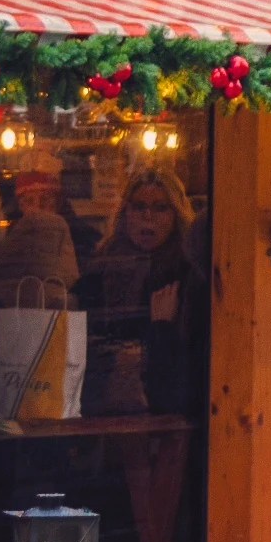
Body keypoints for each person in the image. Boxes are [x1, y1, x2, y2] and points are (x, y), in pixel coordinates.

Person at [76, 169, 200, 416]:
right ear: (125, 213)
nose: (148, 216)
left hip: (162, 407)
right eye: (139, 207)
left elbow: (190, 360)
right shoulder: (103, 266)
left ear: (176, 215)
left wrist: (162, 326)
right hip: (102, 402)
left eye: (160, 208)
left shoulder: (186, 274)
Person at [0, 155, 79, 307]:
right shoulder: (1, 240)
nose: (38, 207)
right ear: (20, 205)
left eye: (45, 199)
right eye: (30, 201)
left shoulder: (82, 241)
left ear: (58, 202)